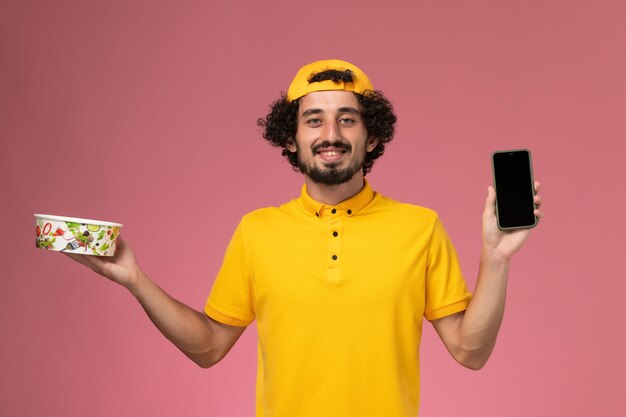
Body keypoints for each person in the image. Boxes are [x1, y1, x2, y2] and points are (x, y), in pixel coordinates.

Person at [66, 59, 543, 417]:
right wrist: (133, 278)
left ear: (371, 137)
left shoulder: (420, 227)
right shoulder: (257, 231)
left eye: (347, 119)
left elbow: (470, 351)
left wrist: (496, 260)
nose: (329, 133)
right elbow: (208, 346)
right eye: (313, 119)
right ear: (290, 139)